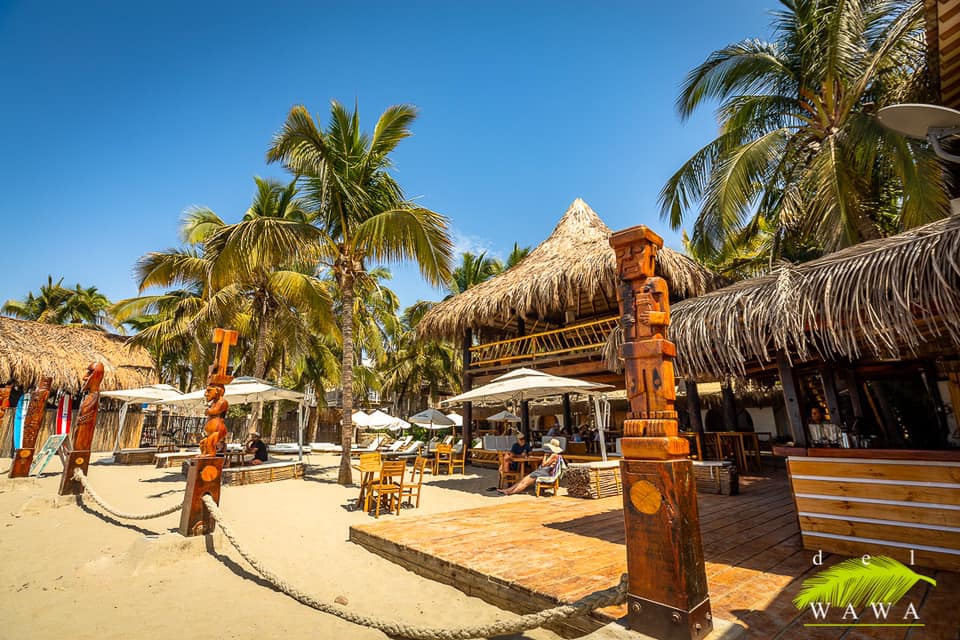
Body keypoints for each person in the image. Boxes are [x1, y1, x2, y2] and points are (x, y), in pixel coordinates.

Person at [499, 438, 564, 495]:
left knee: (525, 482)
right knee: (523, 480)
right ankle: (508, 490)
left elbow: (544, 464)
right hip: (543, 471)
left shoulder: (554, 455)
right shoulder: (553, 455)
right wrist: (543, 457)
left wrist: (544, 457)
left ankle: (510, 492)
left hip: (544, 472)